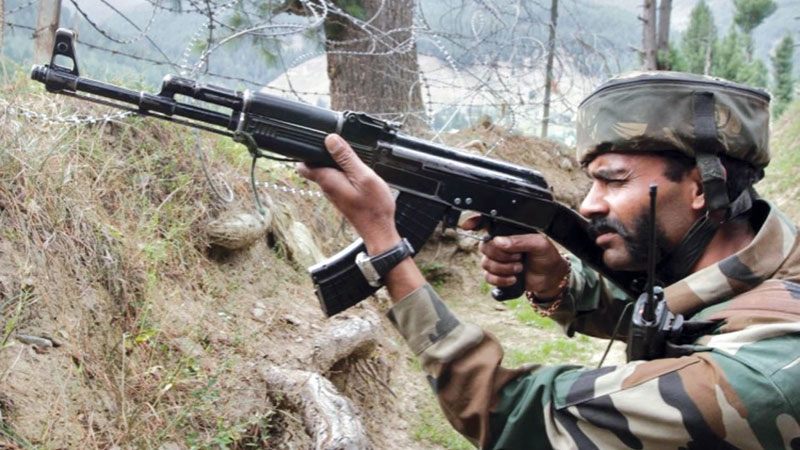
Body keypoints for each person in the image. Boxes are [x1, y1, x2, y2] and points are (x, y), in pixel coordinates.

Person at [298, 71, 800, 449]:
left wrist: (386, 246)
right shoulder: (769, 262)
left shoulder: (760, 381)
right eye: (591, 181)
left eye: (614, 180)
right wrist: (563, 282)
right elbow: (677, 316)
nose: (588, 204)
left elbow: (510, 413)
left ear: (698, 188)